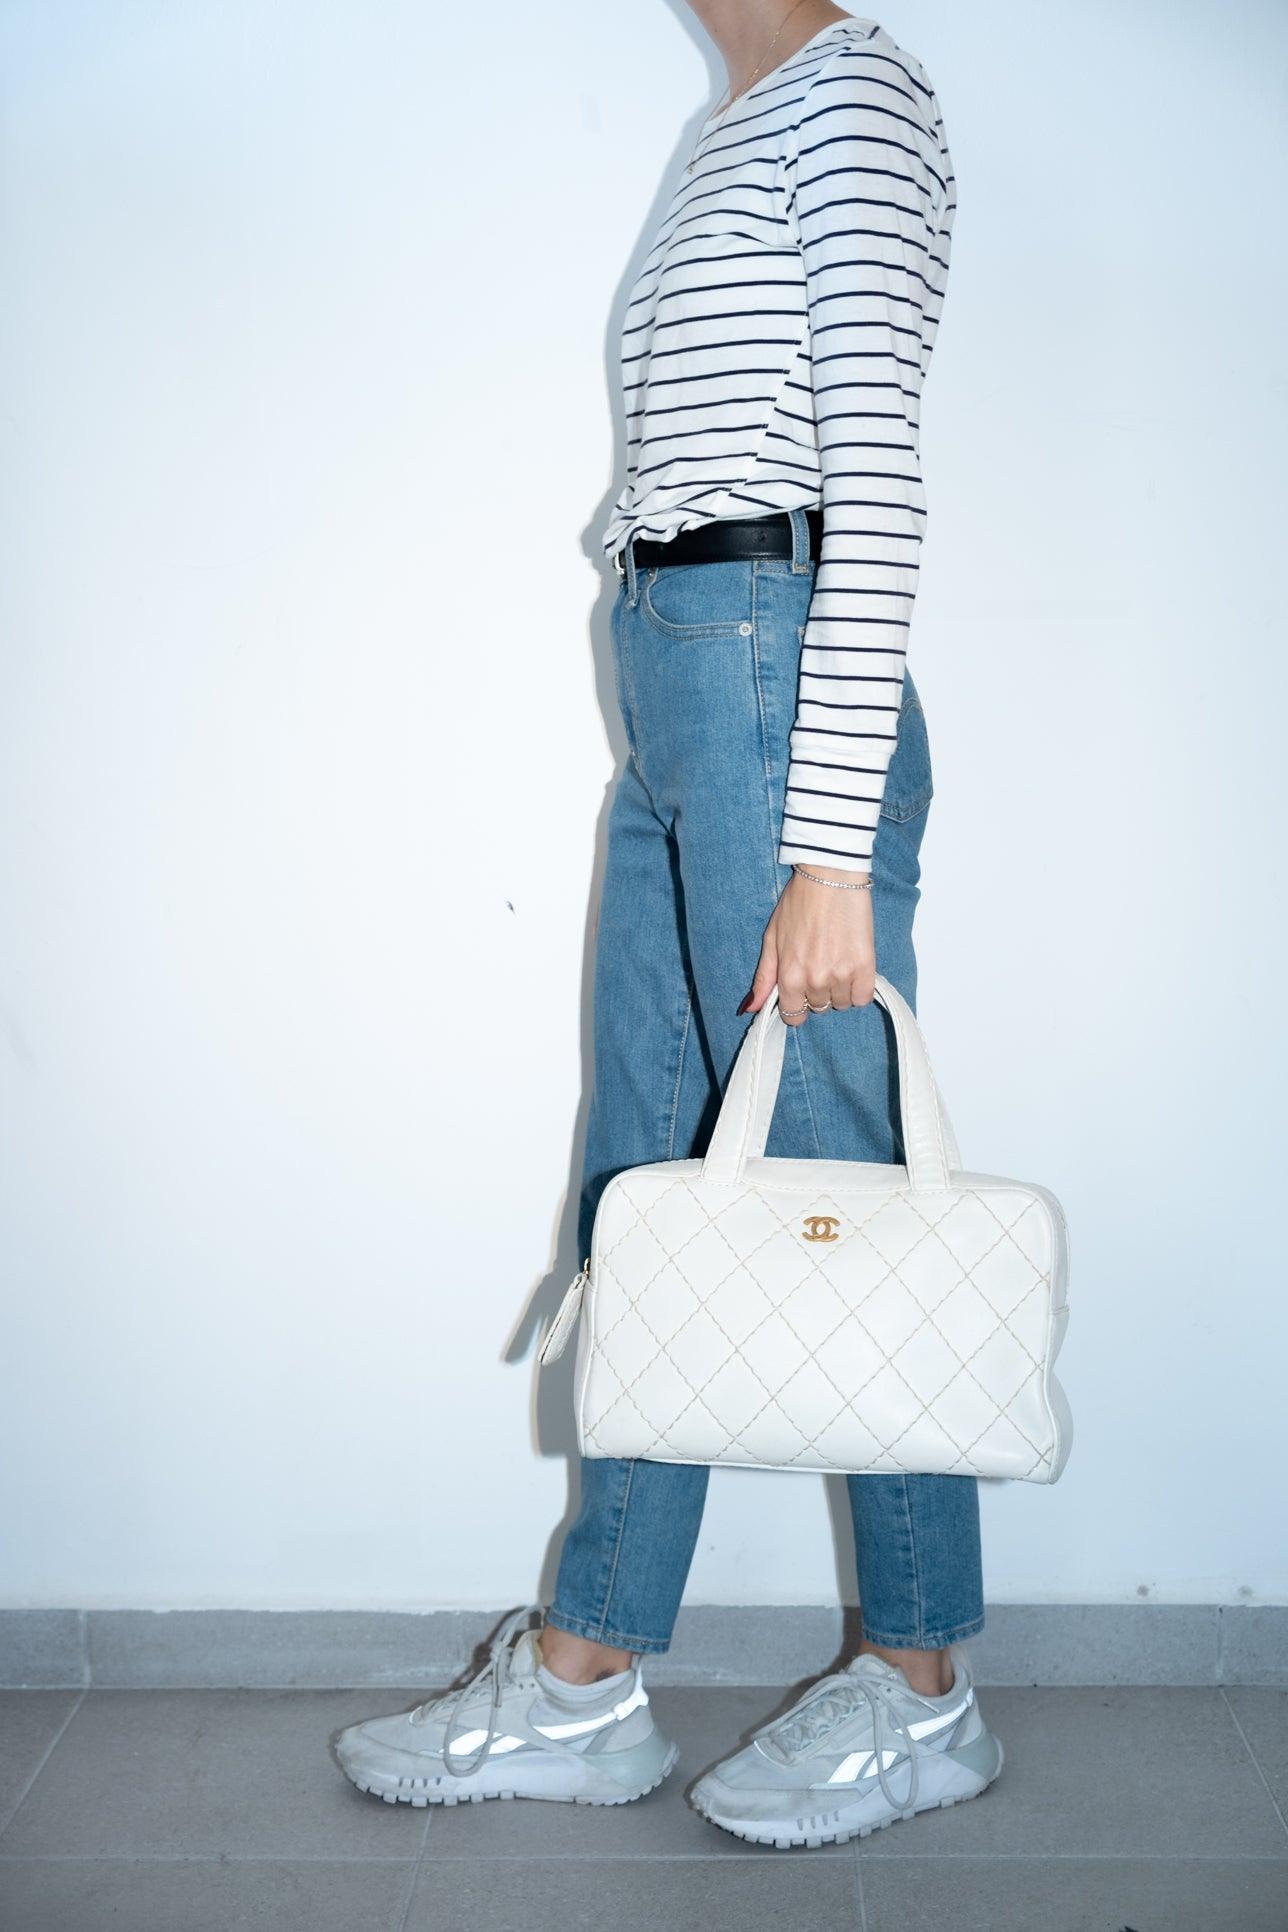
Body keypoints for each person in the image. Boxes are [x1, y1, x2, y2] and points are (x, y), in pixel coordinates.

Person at [336, 0, 1002, 1848]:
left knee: (845, 1194)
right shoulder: (740, 119)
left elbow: (874, 473)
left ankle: (924, 1686)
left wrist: (831, 844)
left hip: (770, 687)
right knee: (648, 1180)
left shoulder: (853, 89)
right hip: (681, 683)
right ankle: (585, 1679)